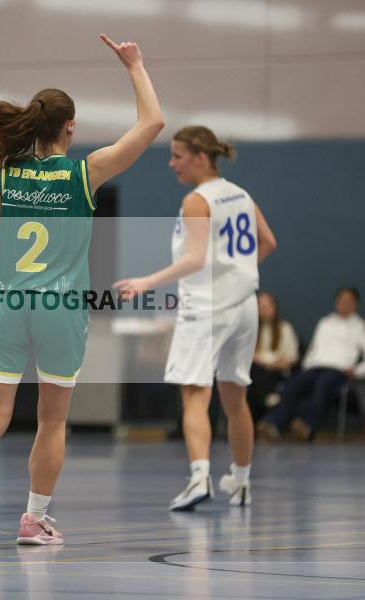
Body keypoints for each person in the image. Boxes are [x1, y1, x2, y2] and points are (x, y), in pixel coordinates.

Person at [0, 33, 165, 545]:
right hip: (61, 309)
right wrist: (134, 66)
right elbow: (152, 124)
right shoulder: (86, 172)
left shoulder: (5, 171)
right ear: (70, 126)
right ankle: (34, 519)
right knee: (51, 424)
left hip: (6, 304)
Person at [115, 126, 277, 511]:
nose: (171, 164)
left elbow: (195, 259)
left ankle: (199, 477)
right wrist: (235, 271)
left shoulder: (196, 200)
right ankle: (240, 482)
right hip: (244, 306)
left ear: (200, 157)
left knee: (194, 395)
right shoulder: (241, 194)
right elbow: (269, 242)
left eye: (177, 155)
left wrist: (146, 282)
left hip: (205, 307)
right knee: (235, 398)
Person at [258, 287, 365, 442]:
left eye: (348, 301)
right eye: (341, 300)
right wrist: (307, 366)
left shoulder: (362, 326)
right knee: (294, 383)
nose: (343, 304)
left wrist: (357, 371)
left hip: (339, 370)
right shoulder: (325, 323)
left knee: (323, 384)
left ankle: (308, 427)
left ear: (356, 304)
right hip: (315, 367)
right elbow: (313, 349)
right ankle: (274, 426)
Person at [249, 291, 299, 421]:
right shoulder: (251, 330)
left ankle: (268, 407)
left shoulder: (285, 328)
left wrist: (270, 364)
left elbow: (290, 360)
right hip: (255, 372)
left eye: (266, 307)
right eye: (260, 307)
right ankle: (271, 401)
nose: (263, 310)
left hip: (278, 373)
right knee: (254, 372)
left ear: (274, 307)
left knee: (257, 376)